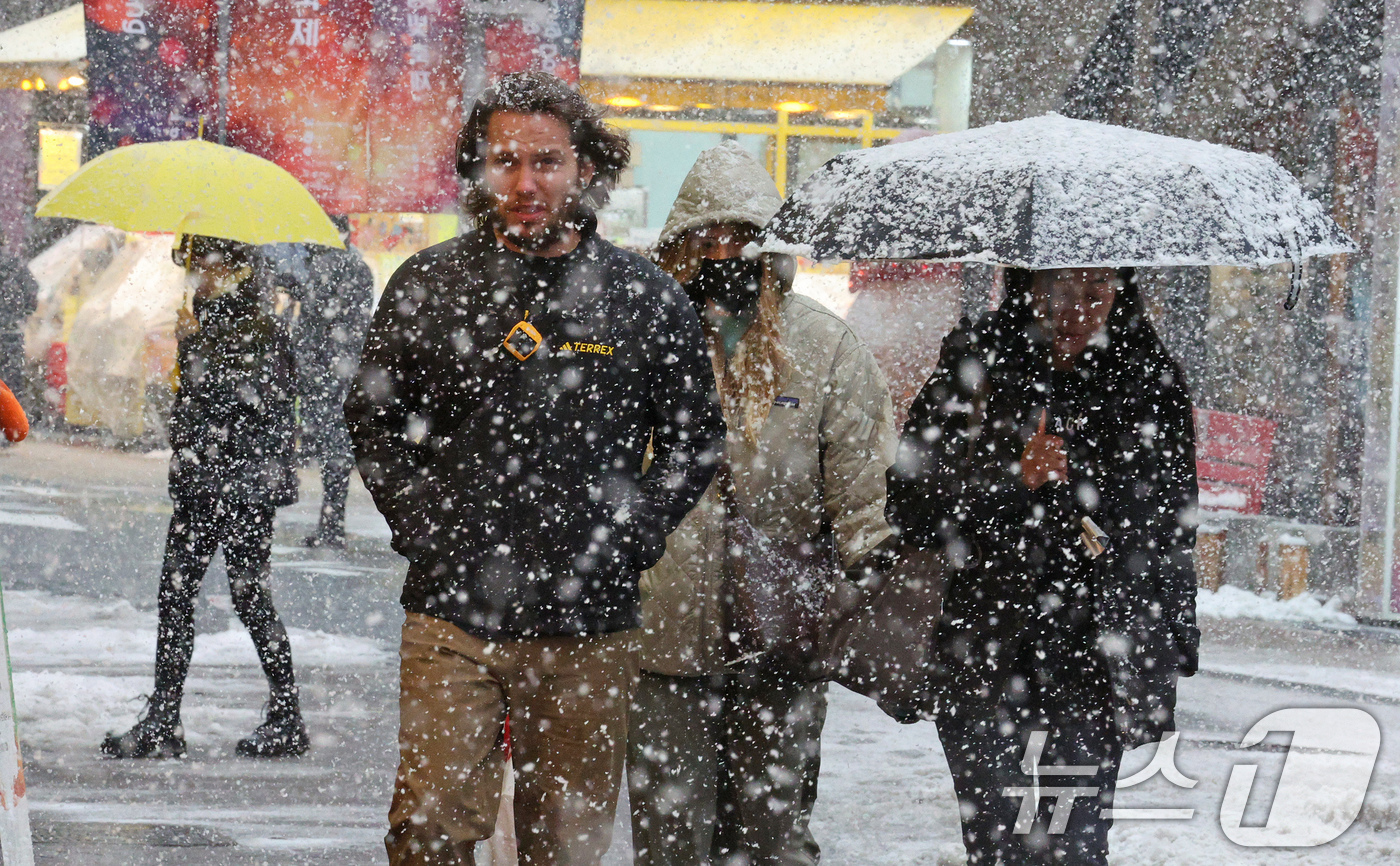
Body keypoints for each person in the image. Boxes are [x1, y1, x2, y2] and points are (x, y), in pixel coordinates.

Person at [344, 71, 724, 866]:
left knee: (567, 844)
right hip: (454, 614)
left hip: (588, 621)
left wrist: (635, 532)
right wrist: (426, 524)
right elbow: (374, 422)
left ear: (586, 168)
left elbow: (696, 442)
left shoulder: (643, 298)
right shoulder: (430, 285)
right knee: (427, 832)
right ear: (479, 169)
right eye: (506, 161)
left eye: (546, 162)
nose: (526, 183)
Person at [627, 142, 898, 866]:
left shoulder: (824, 348)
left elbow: (863, 492)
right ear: (680, 247)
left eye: (742, 238)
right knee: (670, 839)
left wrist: (869, 590)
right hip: (662, 641)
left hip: (783, 636)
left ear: (770, 247)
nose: (724, 255)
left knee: (770, 839)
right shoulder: (646, 340)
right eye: (706, 240)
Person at [885, 268, 1199, 865]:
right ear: (1029, 286)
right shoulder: (974, 363)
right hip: (982, 647)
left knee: (1074, 848)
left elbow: (1170, 526)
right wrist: (1011, 478)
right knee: (997, 848)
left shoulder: (1146, 377)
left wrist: (1169, 644)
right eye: (1060, 290)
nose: (1076, 309)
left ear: (1121, 291)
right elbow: (910, 506)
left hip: (1091, 654)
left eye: (1097, 290)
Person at [102, 235, 307, 760]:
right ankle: (167, 719)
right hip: (208, 484)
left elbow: (251, 404)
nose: (196, 274)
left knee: (241, 598)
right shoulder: (220, 319)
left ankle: (284, 716)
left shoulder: (256, 326)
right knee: (183, 598)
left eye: (201, 264)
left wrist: (198, 346)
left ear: (231, 265)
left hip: (233, 488)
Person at [286, 216, 374, 548]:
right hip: (345, 370)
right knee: (337, 449)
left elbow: (312, 326)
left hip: (324, 372)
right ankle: (333, 520)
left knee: (330, 448)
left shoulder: (324, 267)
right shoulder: (359, 267)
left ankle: (331, 524)